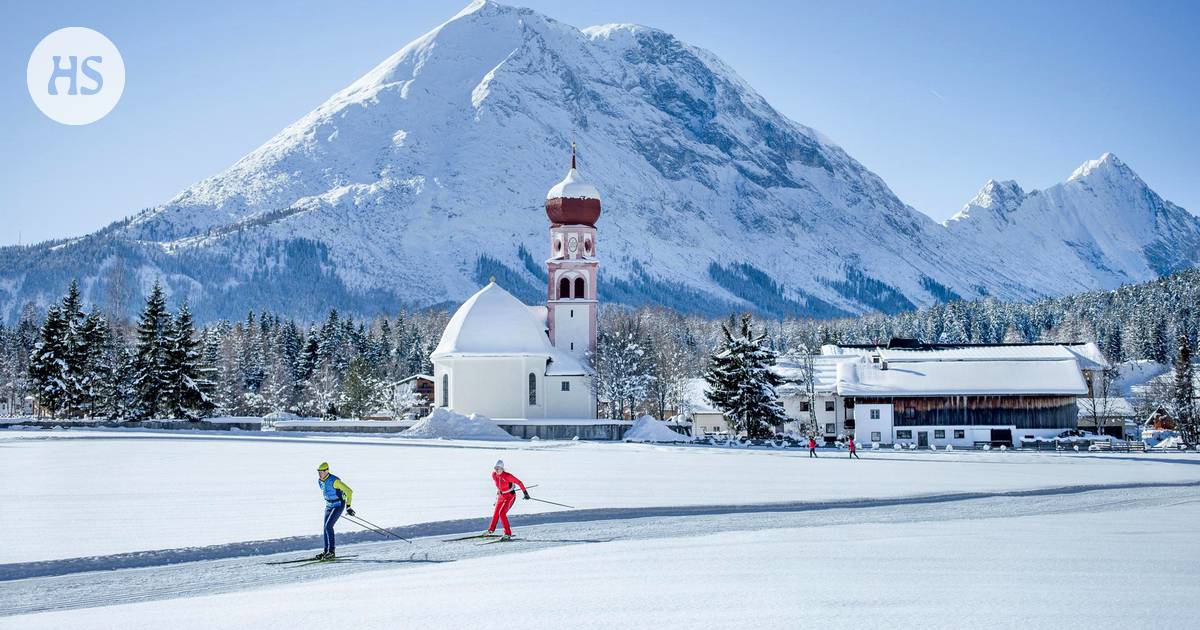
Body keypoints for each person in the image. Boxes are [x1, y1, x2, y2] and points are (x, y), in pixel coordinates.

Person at [316, 462, 354, 560]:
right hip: (328, 506)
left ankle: (331, 552)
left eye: (322, 472)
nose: (320, 474)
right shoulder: (320, 481)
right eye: (319, 472)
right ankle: (326, 552)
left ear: (327, 471)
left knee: (328, 526)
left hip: (338, 505)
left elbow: (349, 491)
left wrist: (348, 507)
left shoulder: (334, 481)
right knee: (325, 528)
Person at [486, 460, 529, 540]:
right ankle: (491, 530)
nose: (496, 470)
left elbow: (519, 482)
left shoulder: (508, 476)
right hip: (501, 495)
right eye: (495, 468)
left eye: (498, 468)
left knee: (502, 513)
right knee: (496, 512)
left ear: (502, 468)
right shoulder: (494, 475)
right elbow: (499, 484)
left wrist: (525, 493)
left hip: (509, 496)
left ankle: (507, 533)